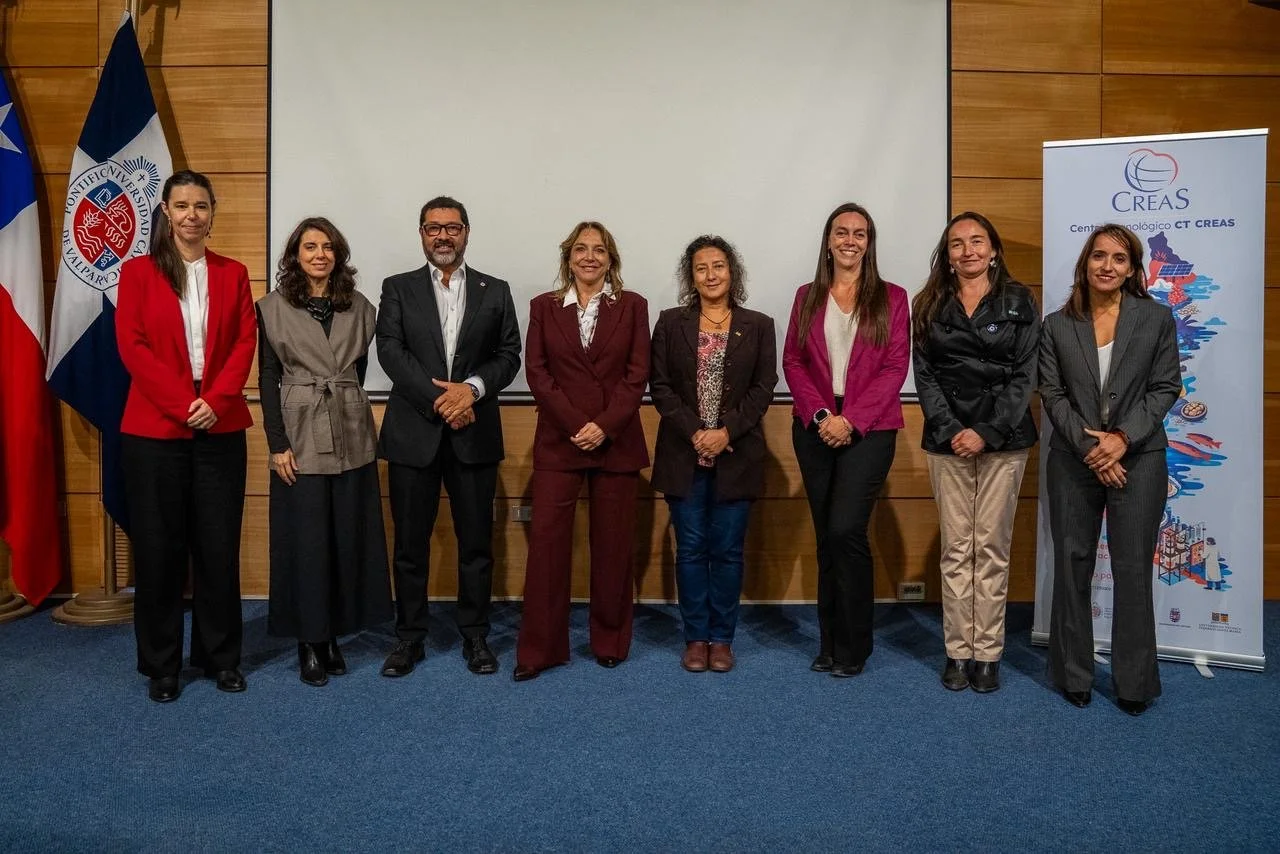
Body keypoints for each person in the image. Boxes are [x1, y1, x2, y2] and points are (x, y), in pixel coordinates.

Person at [115, 170, 256, 703]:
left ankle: (221, 658)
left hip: (220, 423)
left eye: (201, 205)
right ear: (167, 213)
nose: (192, 215)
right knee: (159, 549)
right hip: (155, 426)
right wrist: (182, 404)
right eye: (182, 205)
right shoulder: (137, 273)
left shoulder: (234, 273)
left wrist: (214, 402)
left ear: (212, 213)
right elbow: (133, 347)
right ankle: (162, 665)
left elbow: (245, 341)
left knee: (218, 547)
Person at [376, 196, 521, 677]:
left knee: (477, 544)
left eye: (452, 227)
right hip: (414, 433)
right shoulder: (397, 288)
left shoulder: (495, 290)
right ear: (421, 233)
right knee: (410, 547)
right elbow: (391, 353)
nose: (443, 236)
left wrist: (471, 391)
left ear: (466, 232)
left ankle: (476, 637)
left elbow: (508, 355)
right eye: (433, 228)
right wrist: (443, 400)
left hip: (474, 434)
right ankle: (409, 638)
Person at [1040, 223, 1181, 716]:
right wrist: (1092, 449)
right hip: (1073, 461)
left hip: (1139, 459)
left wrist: (1121, 440)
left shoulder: (1157, 318)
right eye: (1099, 256)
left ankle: (1134, 683)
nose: (1107, 266)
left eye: (1119, 259)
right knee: (1072, 566)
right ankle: (1073, 674)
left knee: (1132, 570)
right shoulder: (1057, 325)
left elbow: (1165, 387)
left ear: (1132, 269)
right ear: (1085, 263)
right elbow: (1052, 395)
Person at [257, 217, 393, 687]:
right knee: (307, 542)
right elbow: (267, 377)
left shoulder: (360, 307)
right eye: (310, 246)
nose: (320, 254)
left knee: (346, 538)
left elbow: (357, 366)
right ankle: (309, 643)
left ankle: (334, 634)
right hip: (299, 430)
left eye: (328, 246)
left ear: (339, 254)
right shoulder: (271, 308)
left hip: (352, 428)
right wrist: (277, 445)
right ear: (295, 254)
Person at [512, 222, 650, 681]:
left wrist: (604, 427)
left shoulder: (632, 307)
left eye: (599, 250)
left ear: (611, 258)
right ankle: (540, 649)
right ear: (567, 257)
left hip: (616, 442)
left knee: (613, 549)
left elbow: (637, 376)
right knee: (547, 550)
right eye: (580, 249)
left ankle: (610, 642)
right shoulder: (544, 308)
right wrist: (578, 425)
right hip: (560, 441)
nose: (589, 257)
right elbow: (537, 372)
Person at [911, 212, 1040, 693]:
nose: (968, 250)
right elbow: (924, 377)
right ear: (947, 255)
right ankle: (956, 652)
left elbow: (1026, 375)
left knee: (990, 547)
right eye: (957, 244)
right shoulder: (927, 304)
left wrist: (984, 430)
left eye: (977, 241)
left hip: (1003, 440)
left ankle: (987, 653)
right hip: (947, 443)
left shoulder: (1020, 300)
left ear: (994, 250)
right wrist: (952, 429)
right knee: (956, 548)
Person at [783, 202, 910, 678]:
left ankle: (855, 645)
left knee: (845, 531)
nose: (850, 240)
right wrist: (821, 415)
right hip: (814, 427)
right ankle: (829, 642)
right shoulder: (807, 295)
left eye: (860, 233)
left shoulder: (893, 298)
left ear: (869, 242)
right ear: (829, 240)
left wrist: (850, 419)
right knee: (825, 538)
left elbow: (896, 367)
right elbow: (793, 362)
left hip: (870, 429)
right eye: (842, 232)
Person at [650, 236, 777, 673]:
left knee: (726, 550)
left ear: (732, 272)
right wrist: (697, 433)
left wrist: (726, 433)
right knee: (690, 548)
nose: (710, 275)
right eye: (701, 268)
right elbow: (660, 386)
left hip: (737, 453)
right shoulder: (670, 323)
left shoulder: (759, 324)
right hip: (683, 454)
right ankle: (695, 637)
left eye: (718, 266)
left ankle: (722, 638)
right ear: (691, 276)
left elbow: (763, 389)